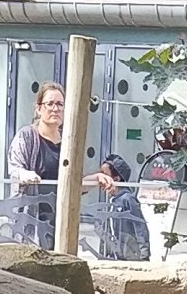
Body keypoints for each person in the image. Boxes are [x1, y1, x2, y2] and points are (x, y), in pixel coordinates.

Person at [6, 81, 112, 249]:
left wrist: (99, 178)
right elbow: (14, 169)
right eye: (50, 103)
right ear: (39, 108)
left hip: (60, 223)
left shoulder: (69, 144)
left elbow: (75, 184)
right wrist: (25, 175)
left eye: (60, 104)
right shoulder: (27, 136)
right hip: (31, 223)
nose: (55, 109)